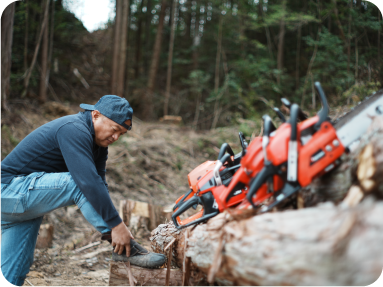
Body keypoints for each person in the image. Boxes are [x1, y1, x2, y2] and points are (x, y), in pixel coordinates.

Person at [0, 95, 166, 287]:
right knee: (77, 183)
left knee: (15, 270)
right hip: (7, 190)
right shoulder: (73, 129)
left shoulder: (99, 145)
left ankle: (123, 247)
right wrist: (116, 226)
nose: (115, 137)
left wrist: (119, 225)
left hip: (21, 207)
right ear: (95, 115)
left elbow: (100, 185)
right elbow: (87, 182)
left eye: (121, 134)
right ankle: (125, 251)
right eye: (114, 130)